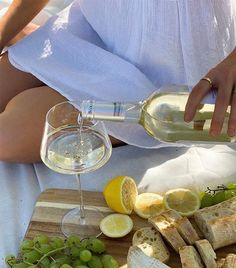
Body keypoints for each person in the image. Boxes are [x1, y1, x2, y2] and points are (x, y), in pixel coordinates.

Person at [0, 0, 235, 163]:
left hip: (172, 69)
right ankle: (41, 43)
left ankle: (146, 124)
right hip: (98, 27)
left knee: (6, 138)